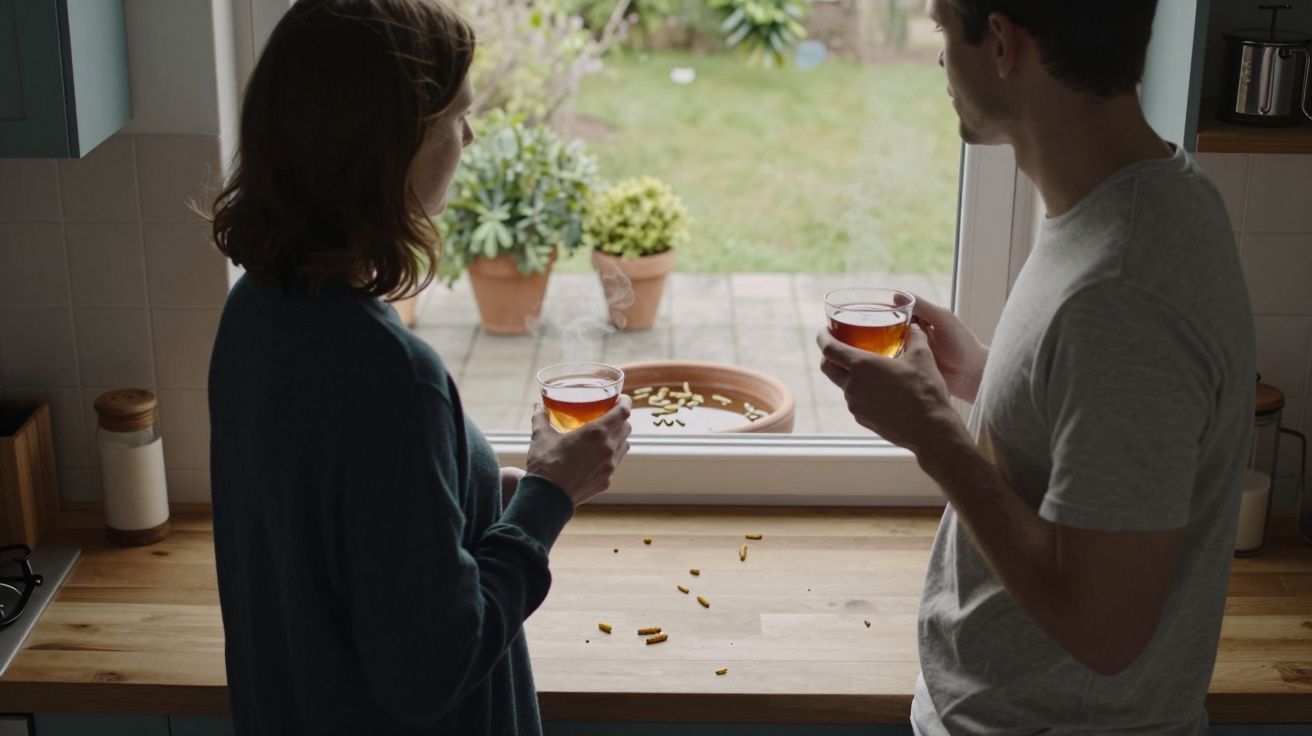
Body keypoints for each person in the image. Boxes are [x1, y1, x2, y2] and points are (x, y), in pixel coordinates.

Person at [817, 0, 1256, 733]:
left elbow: (1104, 628)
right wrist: (982, 378)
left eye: (942, 29)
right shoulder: (1145, 196)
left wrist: (932, 433)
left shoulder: (1121, 290)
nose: (939, 59)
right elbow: (1102, 429)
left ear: (1002, 43)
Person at [207, 1, 632, 734]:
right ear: (389, 144)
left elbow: (342, 539)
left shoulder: (254, 312)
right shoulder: (393, 378)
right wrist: (546, 500)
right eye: (457, 115)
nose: (469, 136)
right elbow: (433, 668)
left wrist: (473, 494)